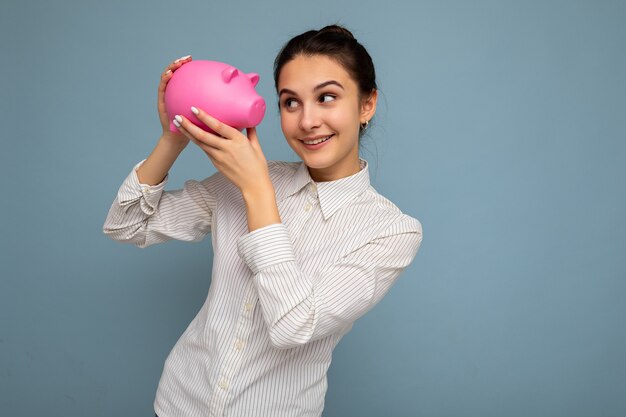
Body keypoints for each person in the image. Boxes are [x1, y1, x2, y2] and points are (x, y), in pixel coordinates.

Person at [103, 24, 423, 417]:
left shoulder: (391, 231)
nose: (307, 121)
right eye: (291, 103)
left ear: (366, 104)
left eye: (326, 97)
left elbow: (293, 326)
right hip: (177, 404)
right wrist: (174, 135)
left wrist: (257, 192)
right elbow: (126, 225)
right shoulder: (244, 178)